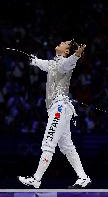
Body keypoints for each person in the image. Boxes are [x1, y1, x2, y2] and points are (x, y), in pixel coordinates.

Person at [18, 40, 92, 188]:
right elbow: (42, 63)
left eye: (65, 43)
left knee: (48, 142)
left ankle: (36, 179)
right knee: (66, 146)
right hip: (57, 109)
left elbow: (70, 63)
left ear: (66, 51)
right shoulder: (53, 64)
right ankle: (83, 178)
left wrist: (77, 54)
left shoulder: (66, 63)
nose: (61, 42)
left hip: (60, 108)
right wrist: (33, 60)